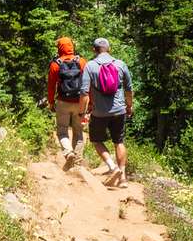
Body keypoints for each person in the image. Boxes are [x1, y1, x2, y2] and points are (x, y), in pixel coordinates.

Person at [79, 37, 134, 188]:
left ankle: (112, 167)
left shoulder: (90, 66)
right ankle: (122, 178)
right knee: (119, 141)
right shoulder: (120, 64)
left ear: (94, 50)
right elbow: (129, 89)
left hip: (99, 112)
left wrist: (83, 113)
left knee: (96, 140)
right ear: (109, 49)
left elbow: (84, 93)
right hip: (119, 110)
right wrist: (129, 106)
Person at [46, 37, 86, 170]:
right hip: (79, 102)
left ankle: (68, 152)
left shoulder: (55, 64)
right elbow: (87, 85)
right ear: (71, 46)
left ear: (60, 48)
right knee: (78, 133)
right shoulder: (81, 62)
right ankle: (78, 164)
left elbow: (51, 86)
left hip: (63, 102)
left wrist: (51, 102)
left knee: (62, 131)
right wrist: (89, 103)